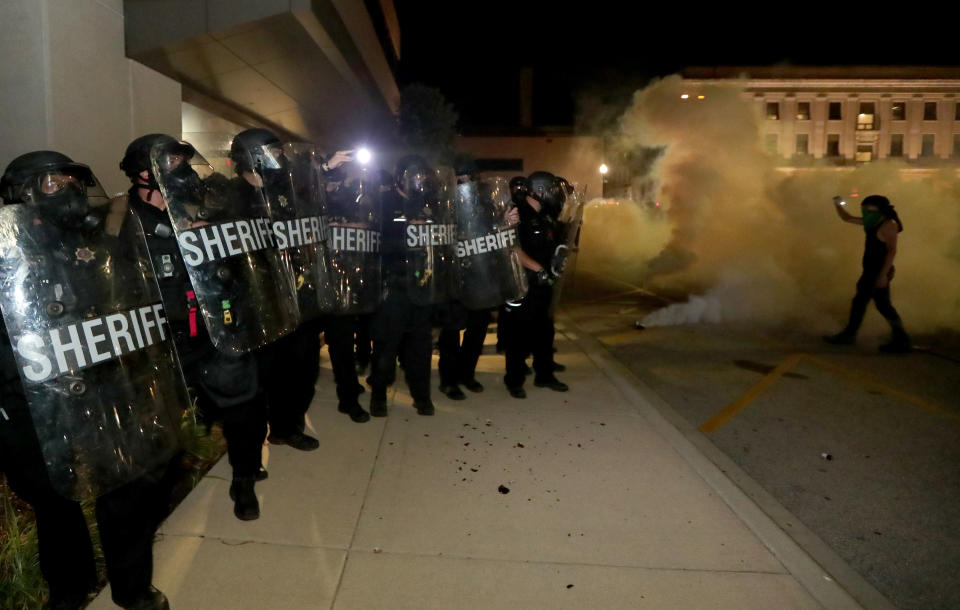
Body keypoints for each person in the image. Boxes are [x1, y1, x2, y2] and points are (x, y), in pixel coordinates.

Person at [0, 151, 172, 609]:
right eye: (53, 184)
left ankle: (132, 589)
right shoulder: (4, 254)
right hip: (36, 400)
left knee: (125, 491)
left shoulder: (98, 241)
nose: (69, 192)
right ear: (23, 195)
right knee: (57, 505)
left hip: (102, 388)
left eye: (72, 181)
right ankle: (70, 592)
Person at [120, 134, 278, 520]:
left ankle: (243, 479)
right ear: (143, 172)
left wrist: (217, 238)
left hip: (213, 329)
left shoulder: (209, 207)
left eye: (182, 160)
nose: (182, 169)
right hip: (157, 341)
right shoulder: (118, 223)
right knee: (160, 427)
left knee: (244, 410)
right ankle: (165, 494)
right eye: (170, 162)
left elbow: (250, 260)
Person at [368, 155, 456, 417]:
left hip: (422, 287)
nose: (420, 183)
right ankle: (379, 396)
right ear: (401, 178)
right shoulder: (384, 204)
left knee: (421, 348)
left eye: (423, 178)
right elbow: (375, 243)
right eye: (415, 178)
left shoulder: (429, 206)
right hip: (393, 287)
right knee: (386, 347)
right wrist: (408, 231)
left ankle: (422, 396)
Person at [501, 172, 569, 398]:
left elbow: (552, 245)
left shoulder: (546, 215)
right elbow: (512, 248)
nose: (553, 195)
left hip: (544, 284)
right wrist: (538, 269)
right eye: (550, 190)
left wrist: (558, 258)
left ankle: (545, 374)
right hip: (523, 283)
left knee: (544, 331)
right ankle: (514, 380)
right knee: (518, 334)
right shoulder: (516, 213)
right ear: (539, 190)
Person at [825, 194, 910, 352]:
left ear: (880, 210)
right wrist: (838, 204)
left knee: (878, 305)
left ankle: (901, 340)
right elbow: (847, 218)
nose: (865, 213)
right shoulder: (873, 221)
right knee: (869, 303)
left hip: (878, 271)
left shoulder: (888, 225)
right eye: (863, 210)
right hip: (871, 270)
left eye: (869, 210)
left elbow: (891, 251)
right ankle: (900, 339)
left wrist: (883, 275)